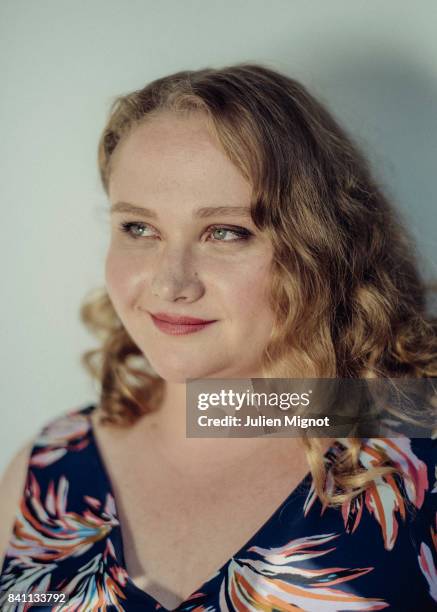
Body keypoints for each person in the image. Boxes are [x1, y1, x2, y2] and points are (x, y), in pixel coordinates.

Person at [0, 64, 436, 612]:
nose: (169, 282)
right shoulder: (43, 470)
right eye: (139, 228)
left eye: (226, 232)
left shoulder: (418, 454)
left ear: (320, 245)